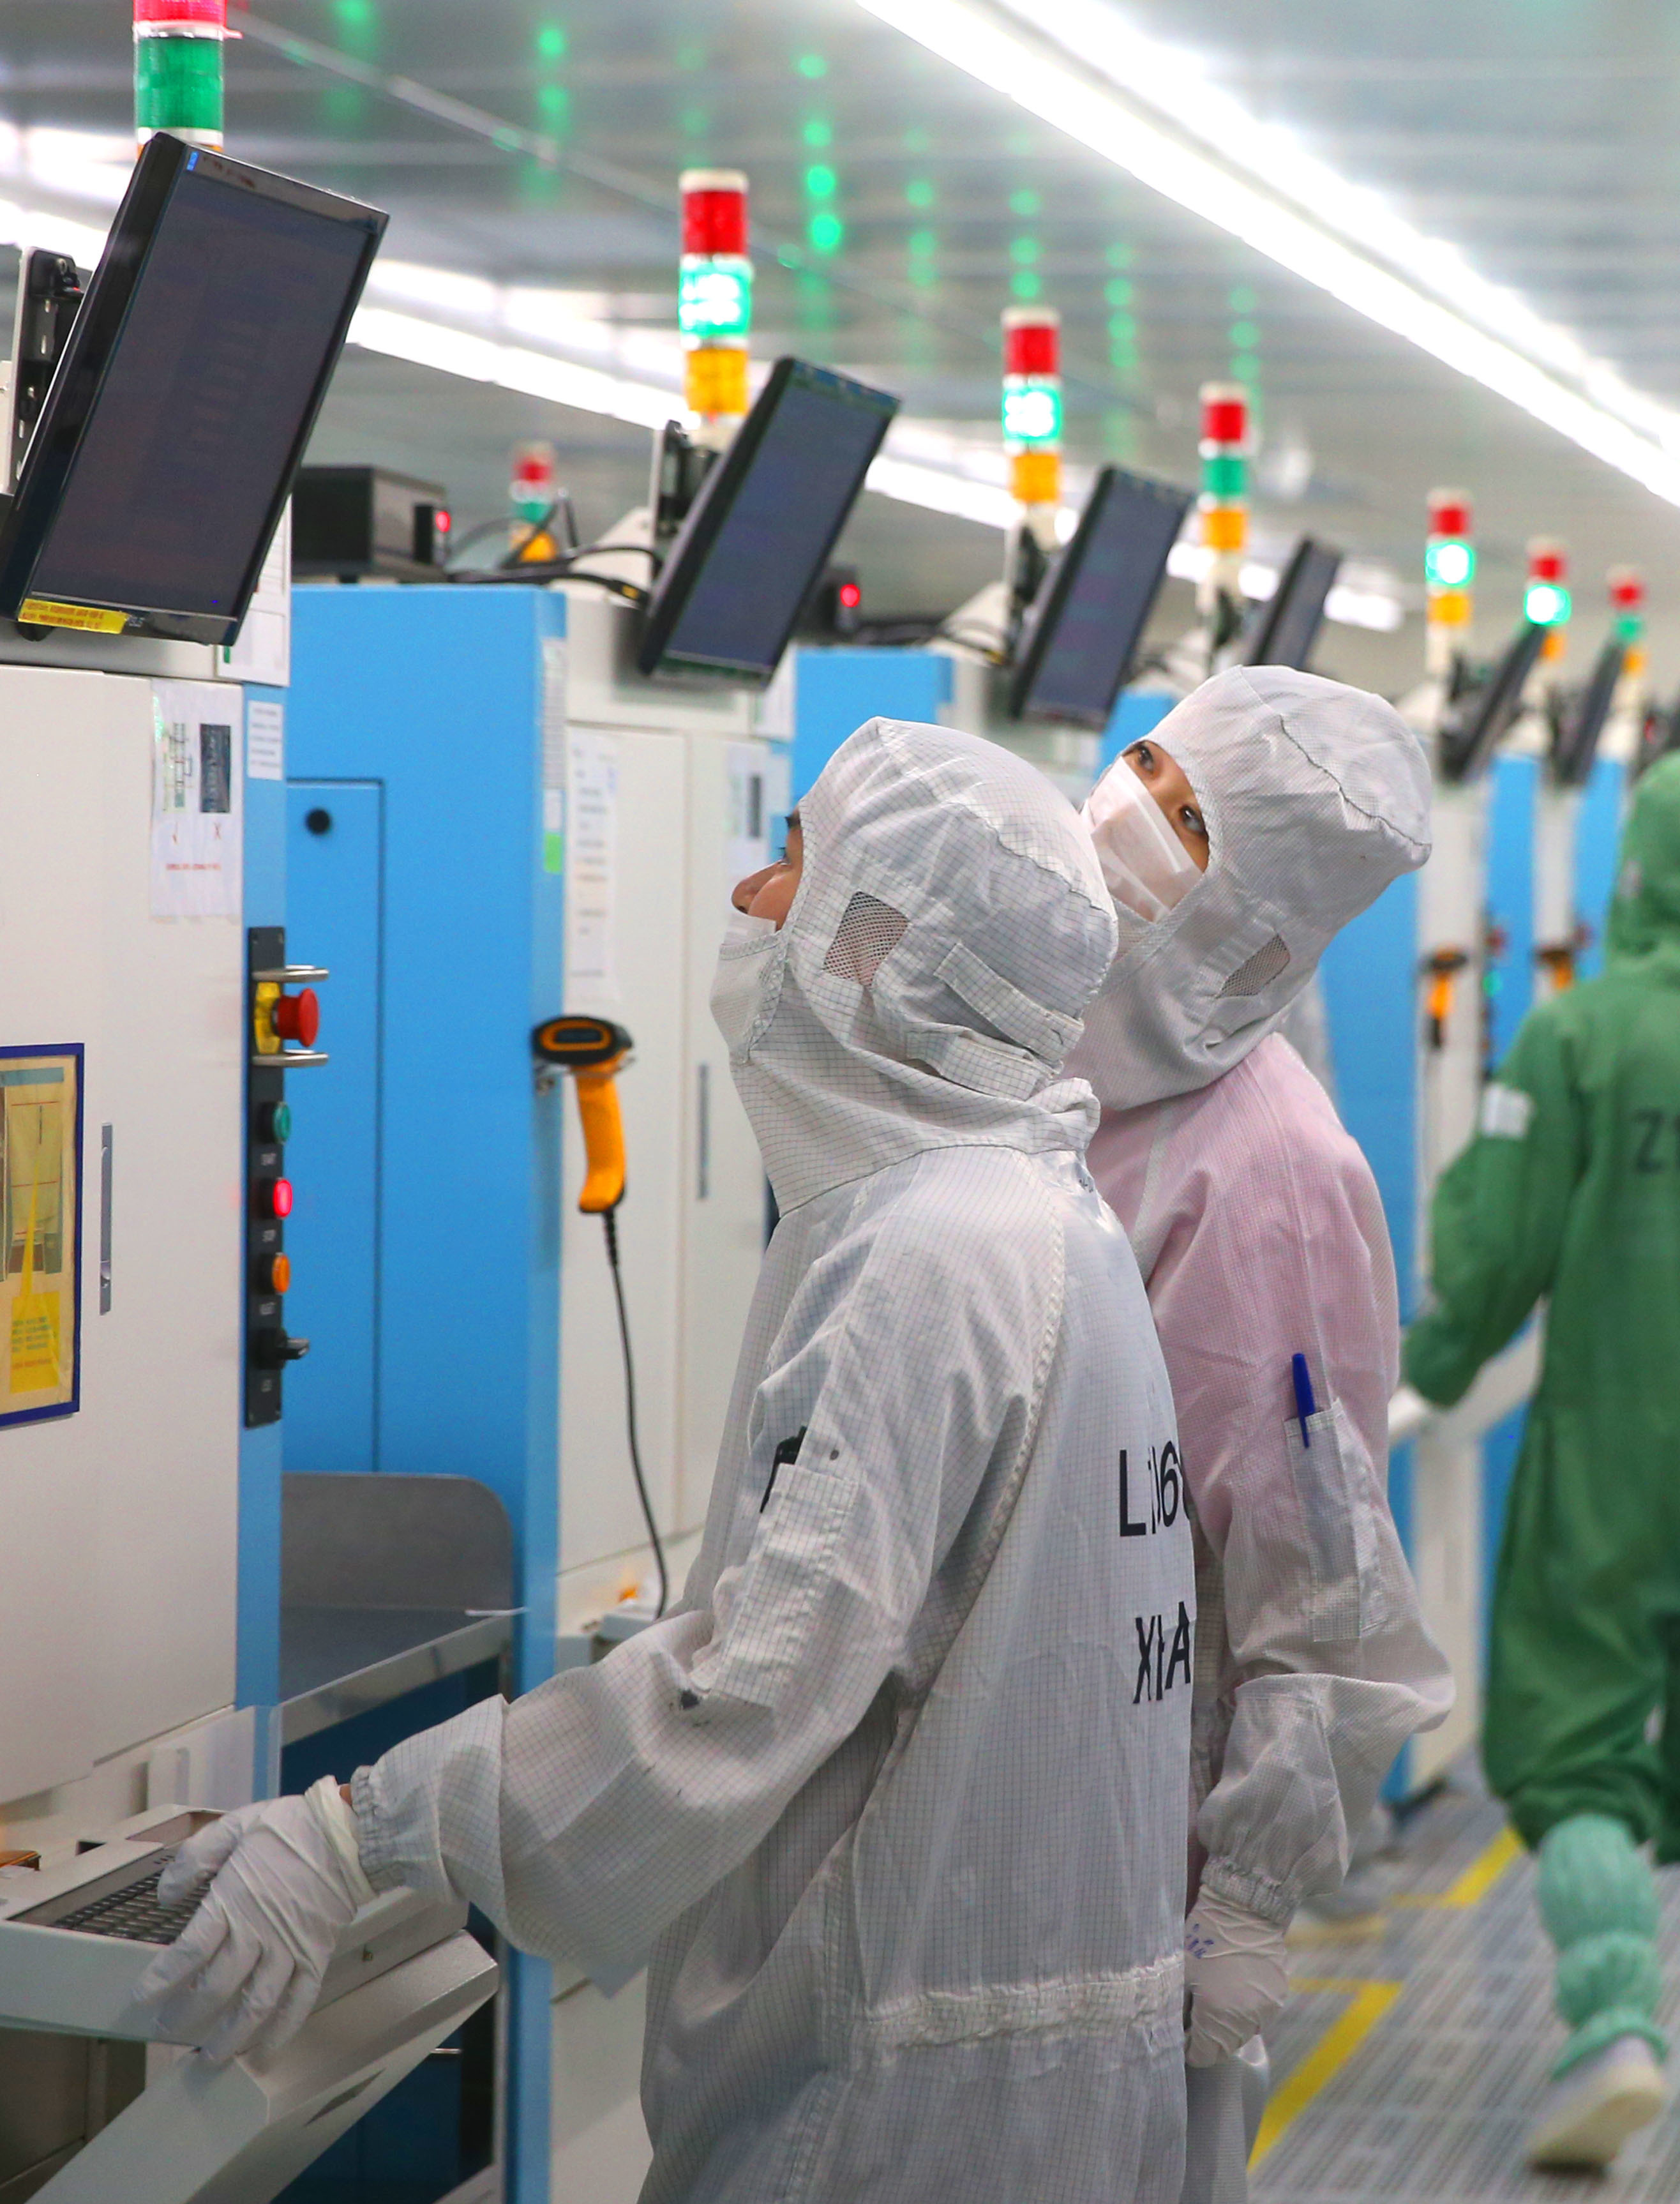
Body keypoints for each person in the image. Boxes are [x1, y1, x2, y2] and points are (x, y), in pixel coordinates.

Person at [138, 720, 1201, 2201]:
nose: (750, 900)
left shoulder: (929, 1258)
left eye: (794, 868)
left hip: (907, 2110)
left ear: (877, 952)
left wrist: (362, 1830)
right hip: (1031, 2066)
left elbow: (746, 1689)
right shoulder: (1040, 1220)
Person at [1399, 749, 1680, 2171]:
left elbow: (1496, 1248)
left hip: (1613, 1455)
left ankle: (1612, 2032)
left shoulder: (1576, 1038)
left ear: (1641, 867)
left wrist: (1414, 1380)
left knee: (1577, 1743)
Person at [1067, 668, 1455, 2193]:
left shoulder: (1269, 1167)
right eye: (1139, 763)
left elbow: (1316, 1591)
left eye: (1177, 816)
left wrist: (1246, 1895)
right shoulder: (1038, 1051)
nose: (1120, 816)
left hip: (1146, 1826)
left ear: (1261, 908)